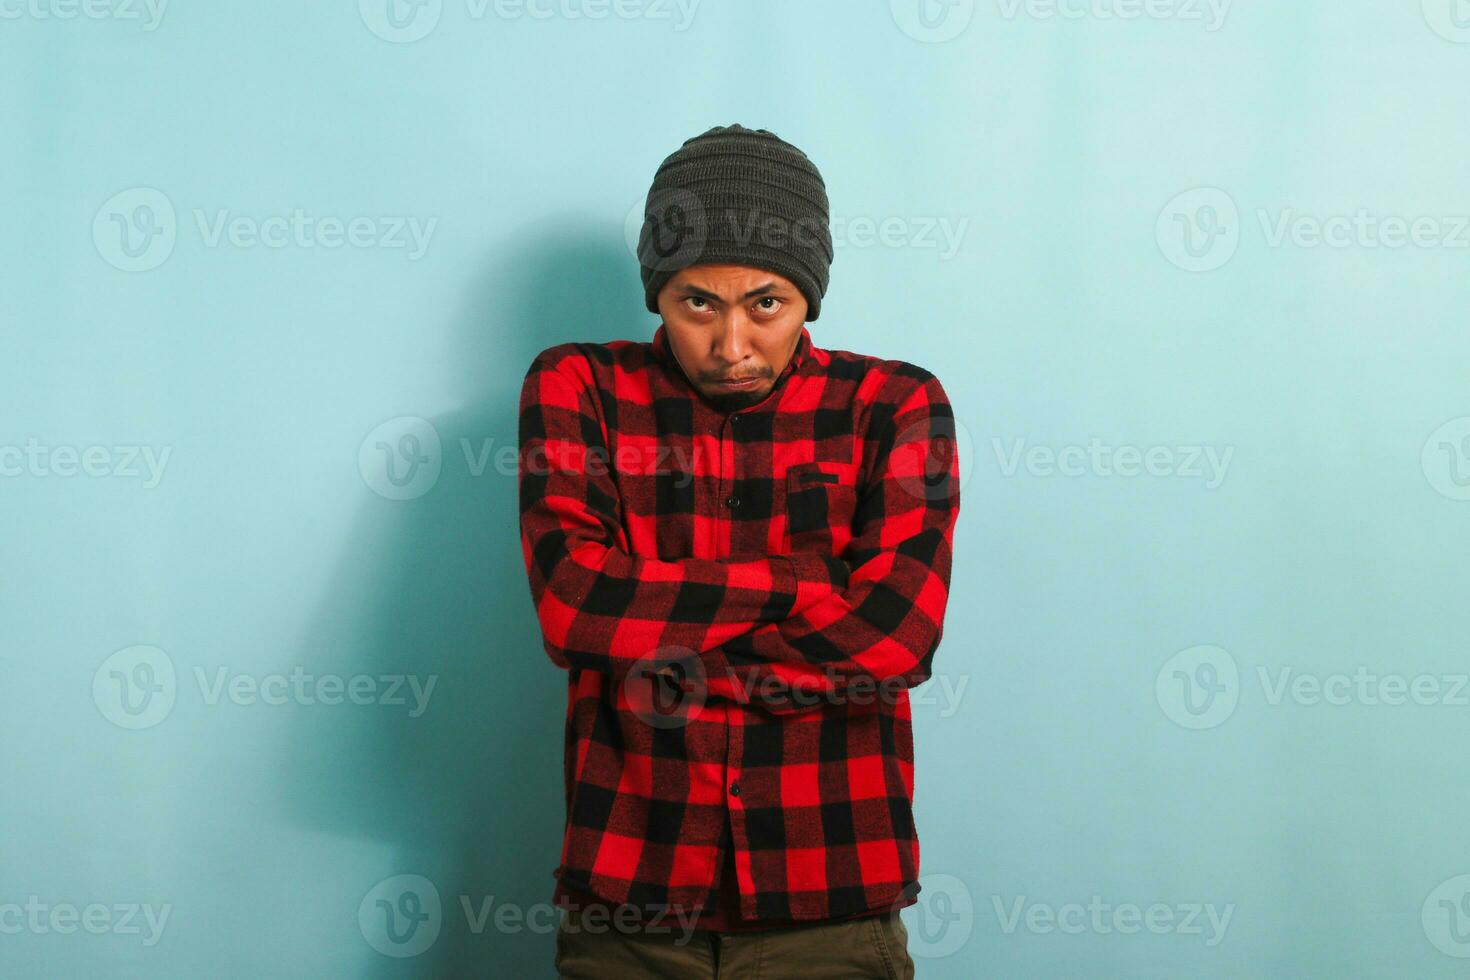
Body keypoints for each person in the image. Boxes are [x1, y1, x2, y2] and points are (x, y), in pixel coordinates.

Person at [517, 123, 959, 978]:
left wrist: (654, 653)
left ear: (808, 299)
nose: (730, 346)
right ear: (658, 294)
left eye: (766, 304)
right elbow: (575, 609)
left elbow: (898, 638)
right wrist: (806, 584)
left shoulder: (895, 403)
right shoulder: (579, 387)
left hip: (831, 899)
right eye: (698, 304)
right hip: (630, 903)